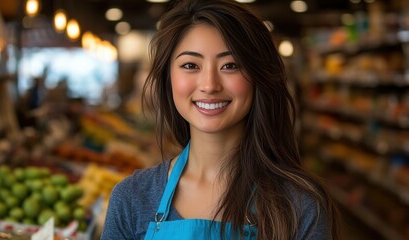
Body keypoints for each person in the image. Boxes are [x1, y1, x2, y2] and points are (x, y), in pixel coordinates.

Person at [101, 0, 341, 239]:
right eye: (190, 65)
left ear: (258, 77)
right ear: (168, 78)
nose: (209, 85)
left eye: (230, 65)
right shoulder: (131, 198)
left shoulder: (300, 205)